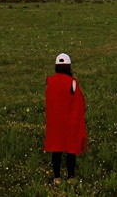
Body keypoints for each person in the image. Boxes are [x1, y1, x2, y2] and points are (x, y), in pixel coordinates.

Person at [44, 53, 87, 184]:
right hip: (70, 121)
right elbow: (80, 101)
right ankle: (71, 177)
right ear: (69, 66)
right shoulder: (72, 82)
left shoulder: (49, 80)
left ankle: (57, 177)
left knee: (56, 149)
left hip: (55, 121)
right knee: (71, 149)